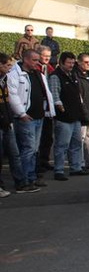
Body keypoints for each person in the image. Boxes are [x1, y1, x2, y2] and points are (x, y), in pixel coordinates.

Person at [7, 49, 54, 192]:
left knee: (34, 149)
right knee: (27, 149)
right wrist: (21, 113)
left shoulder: (38, 74)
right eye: (34, 60)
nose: (37, 63)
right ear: (26, 59)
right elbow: (13, 95)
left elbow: (46, 93)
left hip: (39, 116)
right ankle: (25, 180)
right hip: (25, 118)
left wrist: (49, 111)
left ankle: (32, 177)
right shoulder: (15, 74)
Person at [48, 52, 89, 180]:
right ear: (61, 63)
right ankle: (59, 170)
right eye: (69, 63)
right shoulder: (55, 76)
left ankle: (76, 167)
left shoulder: (73, 75)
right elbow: (55, 95)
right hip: (64, 117)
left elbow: (78, 95)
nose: (71, 65)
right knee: (62, 145)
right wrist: (62, 110)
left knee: (76, 144)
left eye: (73, 63)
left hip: (75, 116)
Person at [0, 53, 27, 196]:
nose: (8, 67)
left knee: (14, 154)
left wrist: (9, 119)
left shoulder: (4, 80)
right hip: (2, 122)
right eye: (5, 65)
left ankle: (21, 183)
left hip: (6, 122)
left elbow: (6, 103)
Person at [36, 45, 55, 171]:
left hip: (48, 106)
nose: (47, 58)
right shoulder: (35, 68)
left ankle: (45, 159)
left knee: (48, 136)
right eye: (44, 55)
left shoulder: (50, 68)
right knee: (38, 137)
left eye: (49, 56)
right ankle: (37, 163)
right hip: (38, 106)